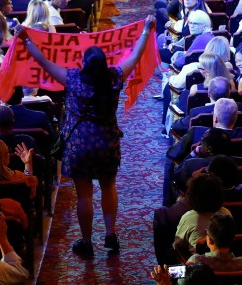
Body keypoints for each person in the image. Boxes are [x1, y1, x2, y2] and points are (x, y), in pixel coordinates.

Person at [17, 14, 155, 256]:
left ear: (84, 64)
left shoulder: (72, 79)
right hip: (107, 142)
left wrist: (26, 39)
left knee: (84, 195)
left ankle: (87, 241)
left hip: (79, 146)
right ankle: (111, 235)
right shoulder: (114, 78)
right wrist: (145, 29)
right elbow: (135, 55)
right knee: (109, 186)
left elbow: (43, 61)